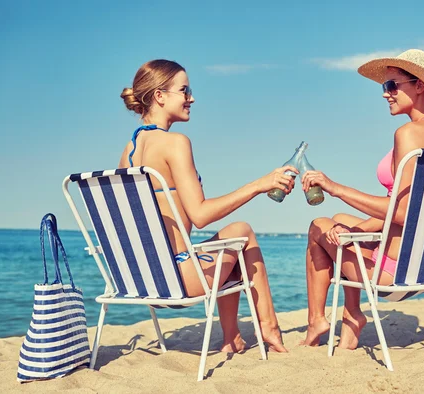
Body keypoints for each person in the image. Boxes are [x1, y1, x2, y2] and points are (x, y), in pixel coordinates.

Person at [119, 59, 294, 353]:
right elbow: (200, 215)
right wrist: (258, 185)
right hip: (176, 281)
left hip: (141, 282)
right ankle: (270, 329)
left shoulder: (129, 150)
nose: (192, 98)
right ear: (160, 96)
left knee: (231, 244)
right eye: (184, 91)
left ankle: (232, 338)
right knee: (242, 231)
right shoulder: (175, 143)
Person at [300, 49, 424, 349]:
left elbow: (402, 213)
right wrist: (356, 229)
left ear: (419, 85)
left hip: (394, 272)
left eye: (391, 86)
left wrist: (335, 187)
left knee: (317, 226)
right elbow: (414, 209)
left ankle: (320, 321)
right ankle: (351, 317)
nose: (385, 94)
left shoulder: (408, 134)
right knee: (340, 222)